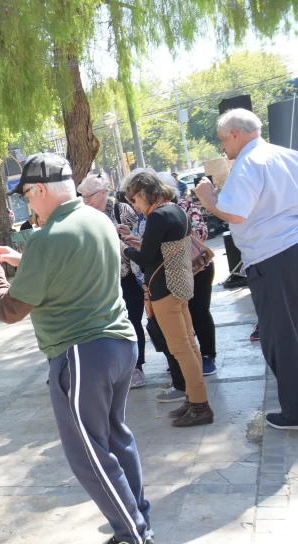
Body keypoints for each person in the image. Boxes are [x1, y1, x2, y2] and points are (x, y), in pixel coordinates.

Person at [0, 153, 159, 544]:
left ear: (40, 189)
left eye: (27, 195)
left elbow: (10, 310)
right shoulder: (97, 220)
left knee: (88, 453)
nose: (28, 204)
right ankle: (138, 523)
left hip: (80, 352)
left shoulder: (47, 237)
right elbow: (75, 269)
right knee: (116, 439)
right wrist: (24, 262)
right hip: (119, 345)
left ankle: (134, 540)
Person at [195, 108, 298, 430]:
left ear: (236, 134)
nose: (223, 148)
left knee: (280, 336)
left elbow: (234, 213)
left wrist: (208, 198)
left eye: (223, 140)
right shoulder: (287, 155)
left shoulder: (248, 163)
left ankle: (294, 411)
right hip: (289, 248)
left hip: (272, 257)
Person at [122, 169, 214, 427]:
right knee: (190, 345)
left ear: (143, 193)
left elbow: (147, 258)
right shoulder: (175, 210)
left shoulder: (158, 216)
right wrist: (138, 243)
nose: (134, 205)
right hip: (180, 286)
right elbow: (161, 251)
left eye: (134, 200)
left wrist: (124, 248)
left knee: (181, 348)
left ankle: (199, 406)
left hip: (165, 290)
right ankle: (195, 398)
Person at [79, 173, 146, 389]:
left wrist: (123, 237)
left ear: (102, 193)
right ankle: (118, 368)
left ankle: (137, 368)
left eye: (88, 196)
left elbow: (139, 240)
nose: (85, 200)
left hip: (127, 277)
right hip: (102, 280)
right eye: (83, 196)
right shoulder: (84, 215)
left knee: (133, 322)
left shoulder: (121, 209)